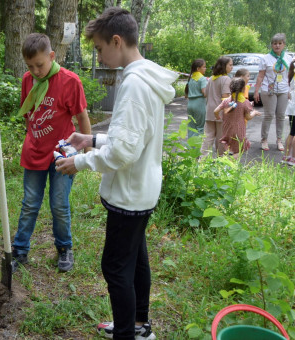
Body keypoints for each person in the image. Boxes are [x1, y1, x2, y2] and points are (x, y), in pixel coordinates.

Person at [56, 7, 177, 340]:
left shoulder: (134, 85)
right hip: (142, 188)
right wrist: (92, 138)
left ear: (117, 41)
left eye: (98, 48)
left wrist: (79, 162)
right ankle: (139, 326)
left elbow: (123, 152)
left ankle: (126, 333)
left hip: (129, 194)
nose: (99, 55)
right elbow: (134, 141)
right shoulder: (146, 77)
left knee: (115, 267)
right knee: (136, 260)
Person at [11, 33, 91, 273]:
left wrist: (85, 153)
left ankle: (64, 248)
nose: (35, 71)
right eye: (30, 66)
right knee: (30, 203)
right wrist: (32, 140)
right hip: (34, 152)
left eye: (40, 65)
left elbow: (82, 117)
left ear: (52, 56)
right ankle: (20, 250)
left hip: (62, 154)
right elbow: (29, 115)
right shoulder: (27, 80)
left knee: (58, 203)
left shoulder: (70, 81)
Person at [254, 33, 293, 151]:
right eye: (275, 43)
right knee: (269, 115)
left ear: (284, 45)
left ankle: (279, 140)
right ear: (271, 45)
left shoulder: (288, 58)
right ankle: (264, 139)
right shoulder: (265, 58)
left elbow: (290, 76)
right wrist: (256, 91)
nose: (277, 46)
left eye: (280, 43)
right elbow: (260, 76)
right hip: (268, 89)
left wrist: (291, 90)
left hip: (283, 90)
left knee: (281, 116)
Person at [213, 78, 261, 158]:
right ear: (243, 89)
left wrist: (218, 117)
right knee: (240, 149)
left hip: (227, 129)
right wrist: (254, 113)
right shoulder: (245, 102)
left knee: (229, 147)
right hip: (238, 130)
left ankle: (227, 164)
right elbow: (248, 117)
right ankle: (229, 162)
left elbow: (215, 111)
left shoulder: (226, 101)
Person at [200, 56, 233, 157]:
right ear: (224, 66)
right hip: (221, 112)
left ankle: (202, 159)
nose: (232, 67)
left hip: (210, 111)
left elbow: (206, 93)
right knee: (221, 138)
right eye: (230, 65)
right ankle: (221, 160)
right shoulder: (226, 79)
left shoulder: (211, 78)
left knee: (208, 137)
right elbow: (225, 97)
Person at [185, 59, 208, 138]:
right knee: (200, 127)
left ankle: (191, 147)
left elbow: (186, 94)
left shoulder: (191, 78)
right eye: (204, 67)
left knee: (191, 127)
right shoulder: (202, 79)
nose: (205, 69)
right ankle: (198, 148)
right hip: (199, 104)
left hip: (190, 104)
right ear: (198, 69)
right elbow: (204, 93)